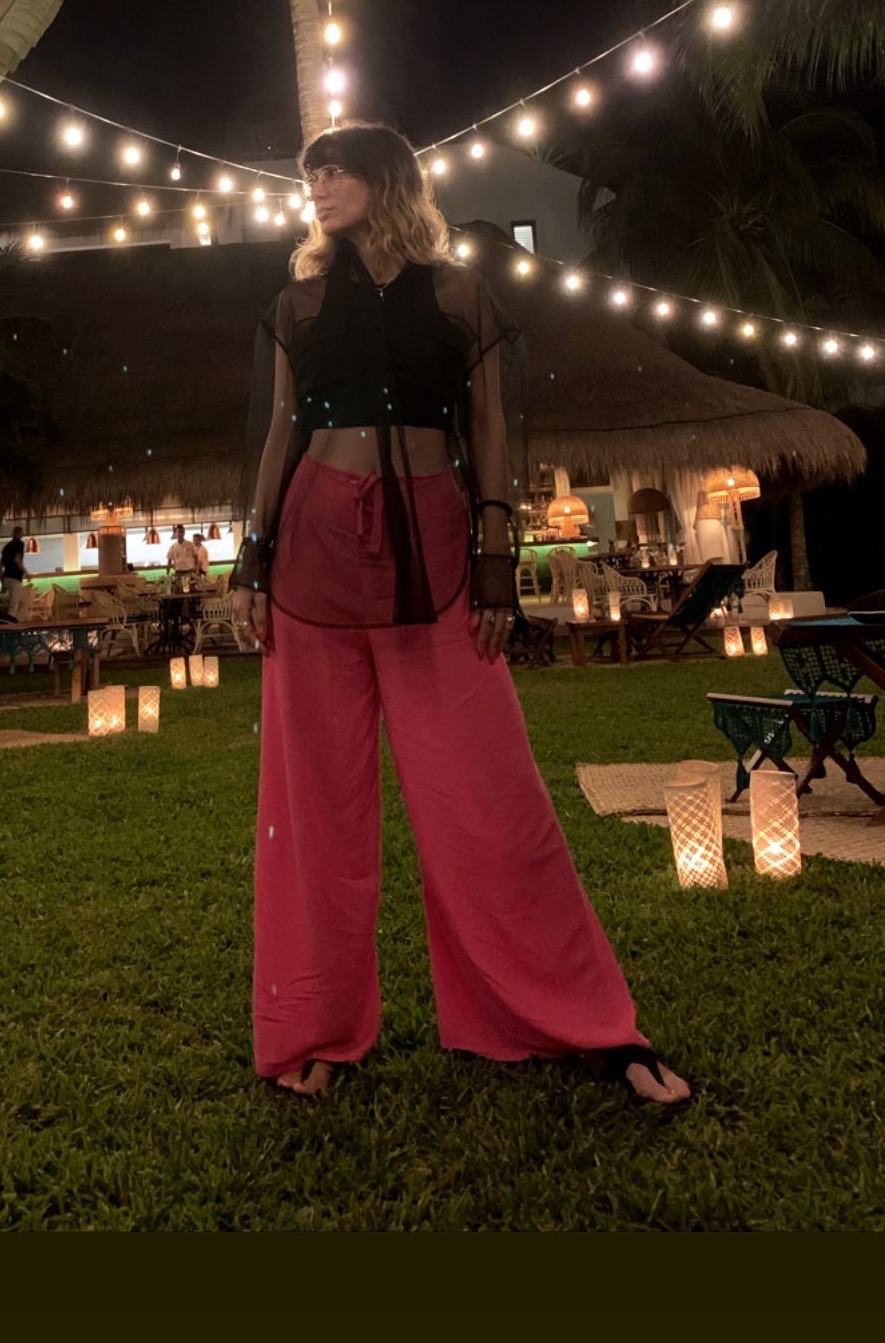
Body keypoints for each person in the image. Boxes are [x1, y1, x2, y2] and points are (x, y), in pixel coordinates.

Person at [230, 123, 690, 1111]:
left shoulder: (458, 294)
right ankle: (315, 1029)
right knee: (312, 805)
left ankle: (578, 1020)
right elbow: (280, 432)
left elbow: (486, 431)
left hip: (436, 546)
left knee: (490, 794)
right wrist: (251, 556)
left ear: (386, 180)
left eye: (336, 171)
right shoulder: (297, 302)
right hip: (314, 546)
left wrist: (493, 558)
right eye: (311, 174)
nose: (318, 187)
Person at [0, 526, 28, 617]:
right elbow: (17, 561)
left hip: (6, 579)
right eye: (22, 533)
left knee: (15, 603)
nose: (22, 535)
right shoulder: (19, 544)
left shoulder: (6, 547)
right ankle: (10, 623)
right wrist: (26, 572)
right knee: (14, 606)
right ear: (19, 534)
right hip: (15, 579)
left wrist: (3, 584)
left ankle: (11, 620)